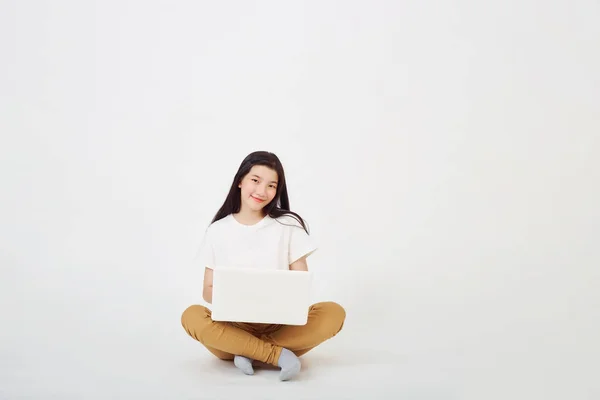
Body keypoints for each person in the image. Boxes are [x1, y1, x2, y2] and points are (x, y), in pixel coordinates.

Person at [180, 150, 346, 381]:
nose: (261, 191)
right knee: (192, 315)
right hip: (232, 325)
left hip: (279, 326)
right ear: (240, 181)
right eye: (255, 181)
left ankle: (246, 351)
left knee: (333, 313)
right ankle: (276, 355)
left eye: (271, 185)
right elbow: (208, 291)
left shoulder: (288, 224)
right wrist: (237, 295)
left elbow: (300, 285)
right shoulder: (217, 230)